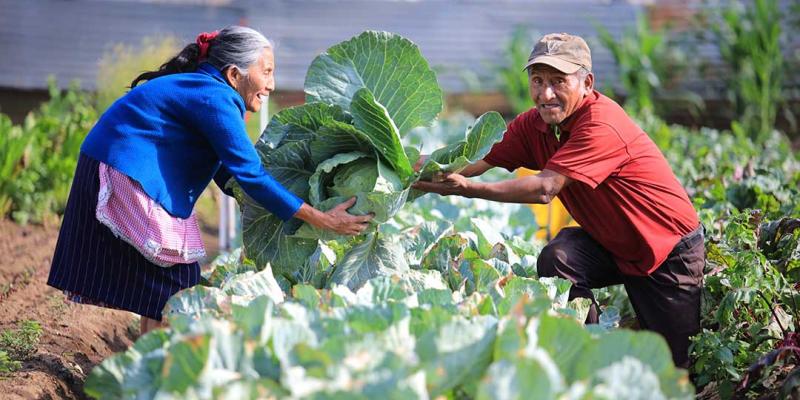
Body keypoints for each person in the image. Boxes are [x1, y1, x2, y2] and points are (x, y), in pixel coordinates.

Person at [47, 26, 372, 335]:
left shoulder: (206, 92)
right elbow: (250, 175)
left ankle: (152, 358)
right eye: (267, 71)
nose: (271, 84)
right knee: (177, 286)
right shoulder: (215, 99)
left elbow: (227, 174)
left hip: (120, 165)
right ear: (234, 74)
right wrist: (321, 219)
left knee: (167, 287)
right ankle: (162, 369)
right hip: (125, 171)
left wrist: (283, 204)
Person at [413, 33, 704, 368]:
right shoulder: (533, 125)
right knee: (559, 258)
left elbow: (544, 189)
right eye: (537, 81)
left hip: (665, 250)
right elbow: (469, 160)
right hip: (614, 243)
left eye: (558, 81)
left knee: (677, 371)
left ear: (586, 83)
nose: (545, 93)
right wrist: (407, 168)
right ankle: (589, 354)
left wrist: (467, 189)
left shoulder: (601, 123)